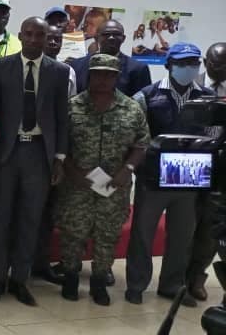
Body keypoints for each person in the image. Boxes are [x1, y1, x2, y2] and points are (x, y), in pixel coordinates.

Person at [0, 17, 70, 307]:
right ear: (20, 36)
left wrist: (59, 158)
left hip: (39, 154)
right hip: (8, 153)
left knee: (30, 219)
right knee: (2, 217)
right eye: (29, 34)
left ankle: (20, 280)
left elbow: (61, 117)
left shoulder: (59, 72)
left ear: (48, 39)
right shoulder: (1, 67)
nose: (34, 39)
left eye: (40, 35)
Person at [126, 42, 214, 308]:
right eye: (182, 63)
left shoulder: (208, 97)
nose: (189, 68)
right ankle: (136, 285)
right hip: (154, 177)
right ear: (168, 65)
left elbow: (213, 135)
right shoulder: (146, 96)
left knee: (182, 235)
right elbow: (136, 137)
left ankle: (172, 286)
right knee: (143, 232)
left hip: (191, 176)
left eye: (194, 63)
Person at [57, 54, 149, 306]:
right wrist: (71, 170)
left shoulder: (131, 108)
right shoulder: (72, 106)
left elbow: (142, 144)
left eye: (108, 74)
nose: (102, 79)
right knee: (73, 235)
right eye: (97, 73)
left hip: (114, 187)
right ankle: (71, 278)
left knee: (107, 235)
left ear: (117, 77)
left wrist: (127, 169)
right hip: (77, 186)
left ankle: (99, 282)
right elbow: (60, 145)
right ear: (89, 75)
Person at [30, 24, 78, 286]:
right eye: (48, 38)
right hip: (24, 149)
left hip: (49, 152)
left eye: (56, 39)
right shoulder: (18, 67)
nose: (52, 43)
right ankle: (20, 264)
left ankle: (42, 262)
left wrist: (60, 156)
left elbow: (65, 116)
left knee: (47, 212)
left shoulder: (66, 72)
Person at [187, 42, 226, 302]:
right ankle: (179, 275)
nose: (215, 68)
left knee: (211, 228)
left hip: (222, 167)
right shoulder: (192, 86)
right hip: (190, 165)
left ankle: (197, 277)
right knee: (185, 224)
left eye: (221, 65)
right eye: (211, 63)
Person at [69, 20, 152, 97]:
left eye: (116, 34)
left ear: (123, 39)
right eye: (106, 34)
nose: (111, 38)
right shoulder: (77, 65)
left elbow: (142, 104)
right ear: (97, 38)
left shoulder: (138, 69)